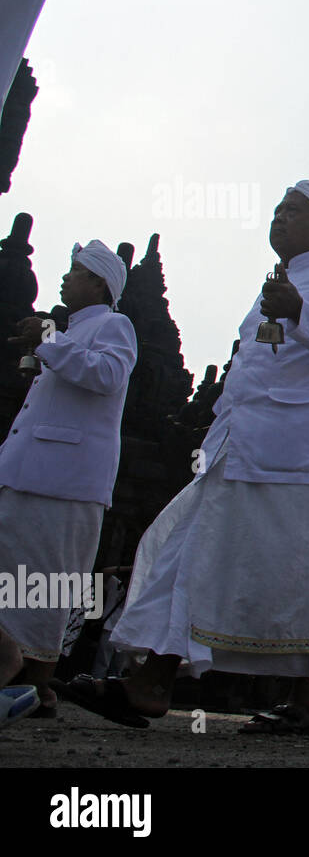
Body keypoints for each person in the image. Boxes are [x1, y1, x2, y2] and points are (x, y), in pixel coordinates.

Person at [59, 181, 309, 735]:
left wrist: (302, 311)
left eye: (293, 212)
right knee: (184, 552)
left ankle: (301, 700)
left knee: (299, 576)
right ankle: (152, 680)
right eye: (276, 210)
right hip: (234, 448)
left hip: (299, 455)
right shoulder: (267, 291)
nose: (279, 219)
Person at [0, 241, 136, 715]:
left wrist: (50, 340)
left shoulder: (114, 325)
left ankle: (35, 685)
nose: (65, 278)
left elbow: (109, 375)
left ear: (99, 283)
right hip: (27, 472)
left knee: (46, 584)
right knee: (15, 578)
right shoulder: (70, 330)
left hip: (66, 480)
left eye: (76, 271)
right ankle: (26, 679)